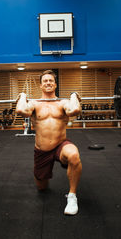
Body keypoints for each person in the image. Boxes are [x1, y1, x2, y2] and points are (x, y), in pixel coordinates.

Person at [16, 70, 82, 215]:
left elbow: (75, 110)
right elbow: (21, 110)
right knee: (42, 187)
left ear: (55, 85)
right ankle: (43, 178)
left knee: (74, 156)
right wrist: (22, 96)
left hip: (61, 145)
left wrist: (73, 95)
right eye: (45, 81)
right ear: (40, 85)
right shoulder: (34, 103)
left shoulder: (63, 102)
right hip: (42, 150)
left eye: (51, 81)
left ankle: (72, 197)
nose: (48, 83)